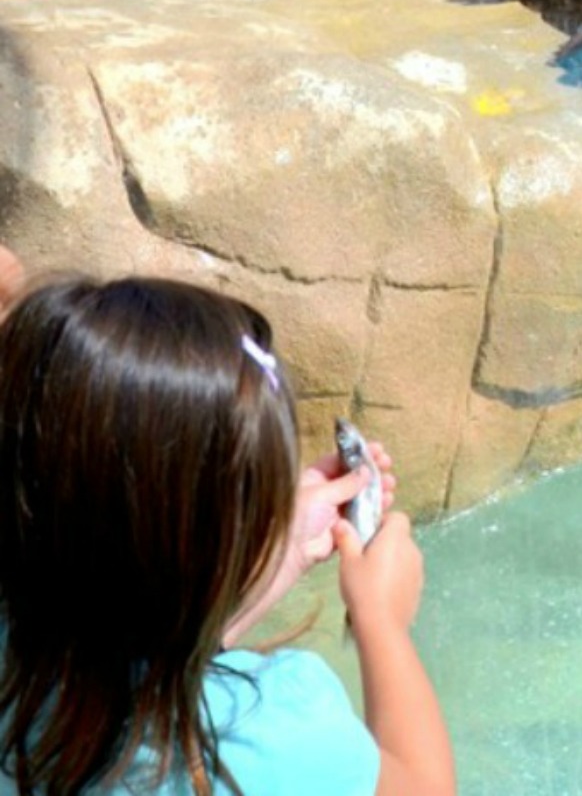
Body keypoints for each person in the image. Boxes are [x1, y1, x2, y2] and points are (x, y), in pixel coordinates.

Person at [0, 276, 454, 795]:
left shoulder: (25, 643)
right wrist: (382, 619)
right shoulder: (267, 730)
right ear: (215, 551)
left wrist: (277, 560)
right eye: (264, 504)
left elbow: (152, 636)